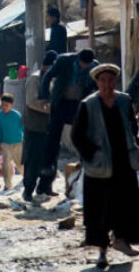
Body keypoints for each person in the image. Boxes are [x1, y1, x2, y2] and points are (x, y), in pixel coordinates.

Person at [71, 64, 139, 268]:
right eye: (103, 80)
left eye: (111, 80)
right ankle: (102, 251)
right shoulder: (88, 104)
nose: (107, 85)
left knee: (124, 205)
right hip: (99, 166)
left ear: (115, 82)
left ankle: (122, 240)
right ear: (97, 82)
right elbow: (77, 135)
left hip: (123, 162)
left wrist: (134, 146)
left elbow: (132, 126)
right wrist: (91, 153)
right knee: (100, 211)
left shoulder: (124, 101)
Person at [40, 48, 99, 189]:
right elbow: (47, 77)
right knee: (52, 142)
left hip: (78, 105)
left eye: (87, 65)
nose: (85, 67)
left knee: (84, 138)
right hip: (61, 103)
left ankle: (85, 176)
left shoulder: (95, 66)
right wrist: (44, 97)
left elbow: (96, 86)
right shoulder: (64, 61)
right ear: (78, 59)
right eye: (83, 64)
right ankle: (45, 184)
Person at [22, 52, 57, 201]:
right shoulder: (35, 79)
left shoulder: (53, 79)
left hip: (49, 127)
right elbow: (31, 101)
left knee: (50, 160)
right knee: (33, 162)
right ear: (46, 65)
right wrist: (51, 108)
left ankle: (45, 188)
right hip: (35, 128)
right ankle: (28, 191)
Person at [0, 94, 24, 192]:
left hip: (18, 143)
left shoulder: (17, 115)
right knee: (6, 165)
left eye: (6, 105)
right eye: (2, 105)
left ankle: (26, 177)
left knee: (20, 164)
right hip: (5, 143)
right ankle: (7, 184)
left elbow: (23, 128)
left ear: (12, 105)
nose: (4, 107)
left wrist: (24, 140)